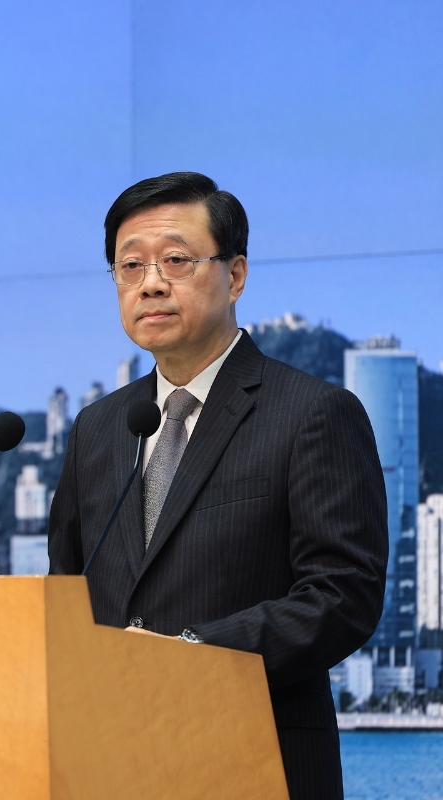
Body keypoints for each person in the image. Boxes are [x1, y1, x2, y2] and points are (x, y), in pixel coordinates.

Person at [48, 172, 387, 800]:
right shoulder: (98, 427)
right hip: (108, 764)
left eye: (176, 260)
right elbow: (65, 592)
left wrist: (186, 654)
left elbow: (344, 597)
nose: (151, 283)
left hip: (252, 758)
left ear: (235, 276)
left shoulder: (313, 413)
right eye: (130, 266)